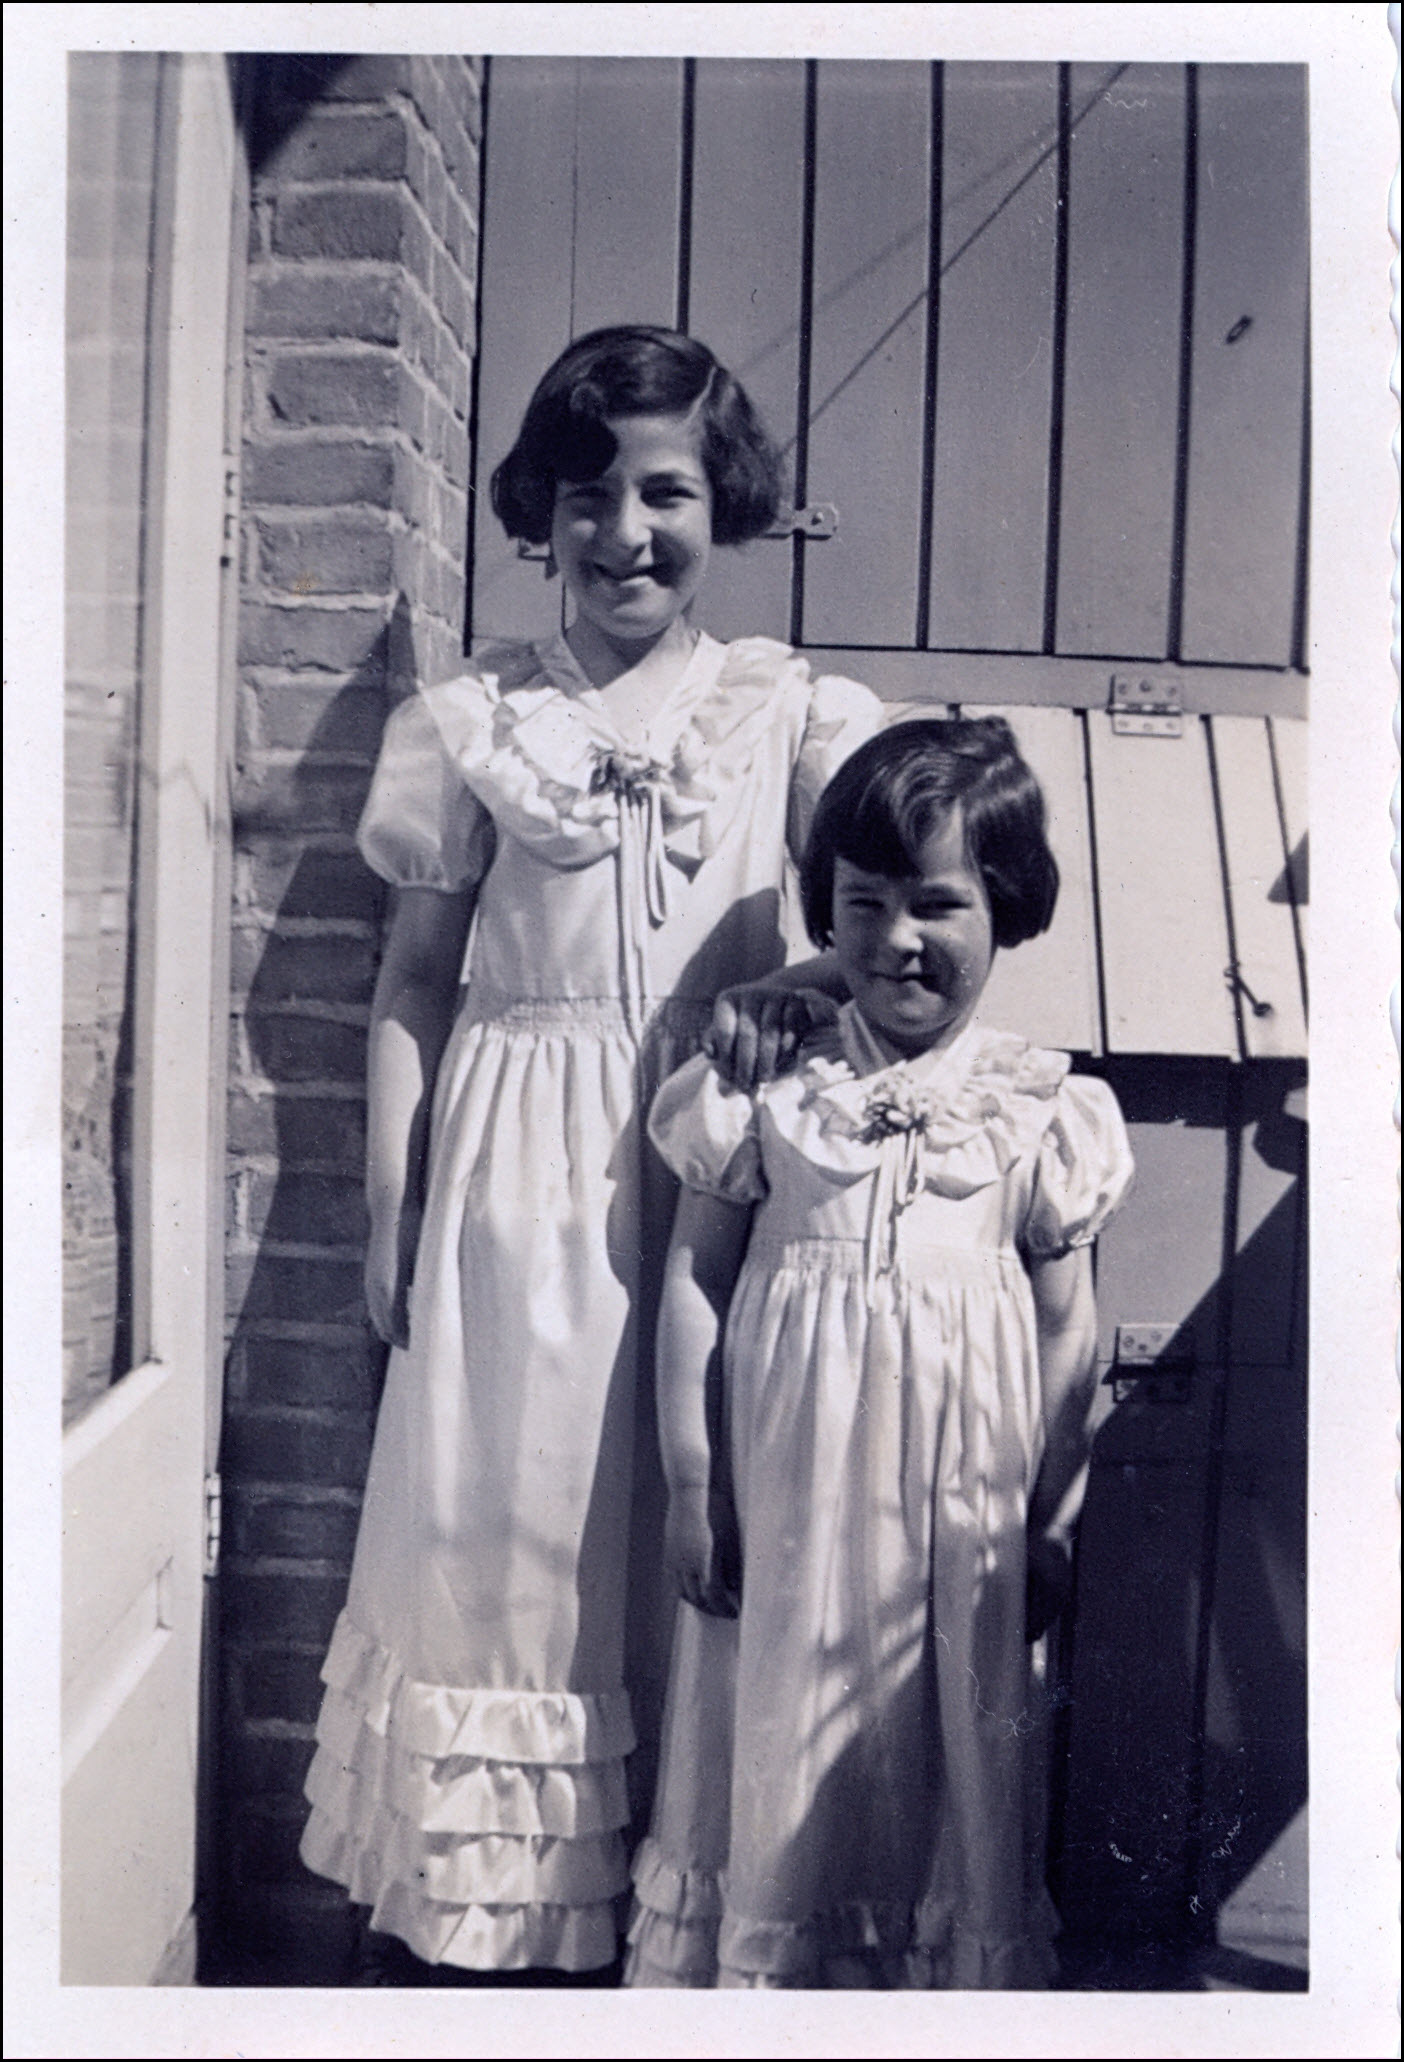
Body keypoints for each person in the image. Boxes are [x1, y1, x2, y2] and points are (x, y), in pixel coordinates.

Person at [297, 325, 881, 1978]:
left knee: (696, 1529)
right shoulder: (474, 722)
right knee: (519, 1547)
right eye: (589, 495)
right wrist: (392, 1209)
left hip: (713, 1178)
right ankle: (496, 1940)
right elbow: (413, 983)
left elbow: (887, 923)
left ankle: (682, 1922)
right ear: (540, 513)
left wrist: (789, 988)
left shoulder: (784, 711)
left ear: (723, 502)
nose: (627, 532)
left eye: (666, 492)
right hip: (517, 1190)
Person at [626, 718, 1136, 1989]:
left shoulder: (1041, 1111)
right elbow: (696, 1282)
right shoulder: (762, 1090)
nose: (898, 937)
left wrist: (1052, 1517)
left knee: (948, 1738)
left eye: (939, 904)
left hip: (964, 1520)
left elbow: (1067, 1328)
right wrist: (693, 1483)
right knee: (779, 1730)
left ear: (1007, 908)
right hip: (789, 1499)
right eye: (863, 903)